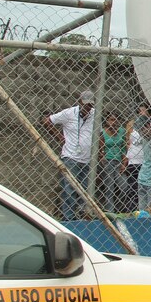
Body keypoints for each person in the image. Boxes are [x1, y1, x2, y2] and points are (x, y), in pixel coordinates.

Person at [42, 89, 95, 221]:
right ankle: (69, 218)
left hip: (87, 158)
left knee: (84, 190)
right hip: (71, 157)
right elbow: (47, 121)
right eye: (86, 105)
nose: (88, 108)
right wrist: (59, 136)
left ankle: (82, 215)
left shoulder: (94, 114)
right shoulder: (69, 113)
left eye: (90, 105)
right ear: (80, 102)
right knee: (70, 189)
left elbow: (98, 134)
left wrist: (100, 153)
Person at [98, 111, 127, 212]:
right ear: (106, 121)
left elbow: (123, 147)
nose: (114, 122)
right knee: (109, 188)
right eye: (111, 120)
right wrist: (102, 159)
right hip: (108, 162)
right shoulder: (103, 132)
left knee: (124, 186)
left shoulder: (122, 131)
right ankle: (110, 211)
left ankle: (119, 208)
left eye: (116, 120)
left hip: (118, 162)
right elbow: (100, 149)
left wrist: (124, 163)